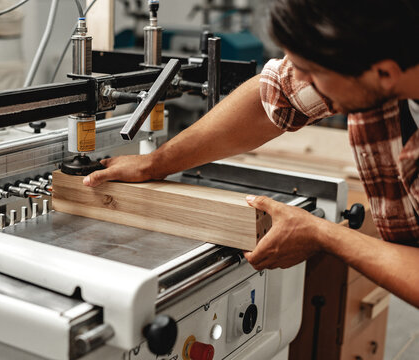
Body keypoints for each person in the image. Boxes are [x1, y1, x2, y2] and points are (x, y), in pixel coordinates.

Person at [83, 0, 419, 307]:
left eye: (313, 73)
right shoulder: (369, 60)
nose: (299, 78)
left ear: (386, 74)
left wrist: (323, 234)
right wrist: (155, 164)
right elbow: (271, 98)